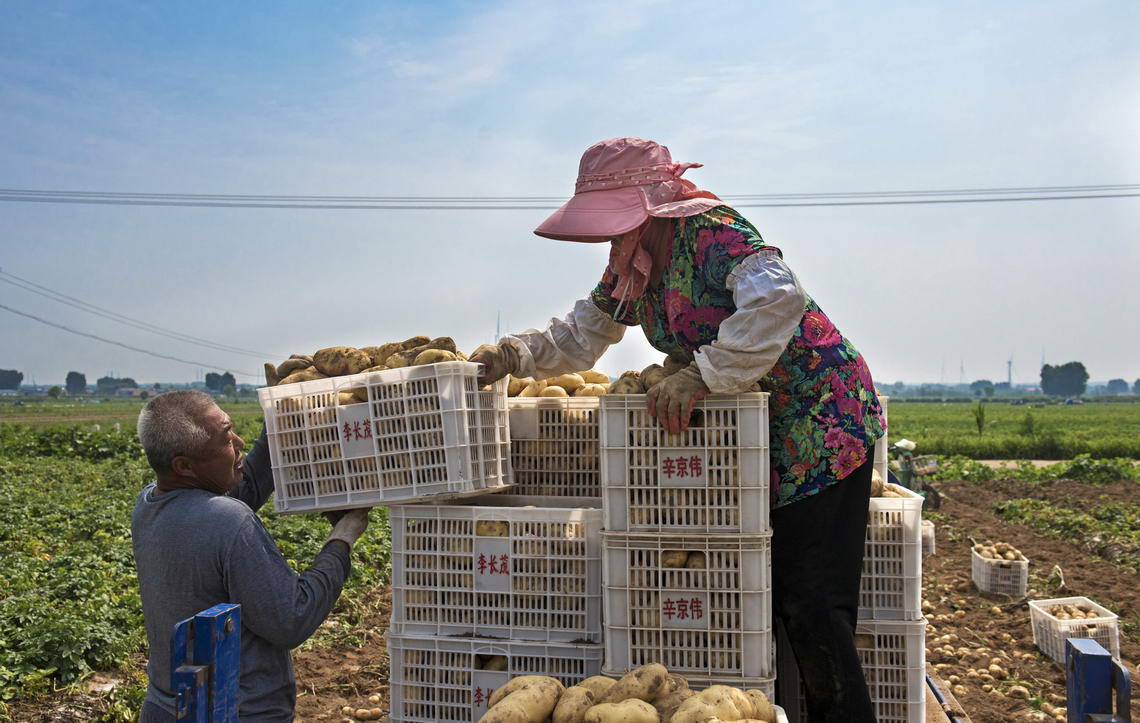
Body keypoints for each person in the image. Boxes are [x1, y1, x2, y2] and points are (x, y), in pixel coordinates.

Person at [471, 137, 886, 722]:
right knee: (771, 598)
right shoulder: (633, 265)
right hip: (753, 440)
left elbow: (778, 299)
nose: (610, 239)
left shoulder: (713, 233)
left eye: (615, 222)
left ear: (650, 206)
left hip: (821, 424)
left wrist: (702, 373)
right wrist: (514, 356)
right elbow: (583, 332)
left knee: (814, 601)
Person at [131, 390, 371, 722]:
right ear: (184, 466)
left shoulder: (149, 503)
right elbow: (292, 619)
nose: (239, 442)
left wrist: (280, 421)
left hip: (166, 707)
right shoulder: (229, 521)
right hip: (235, 712)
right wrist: (341, 541)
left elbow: (243, 488)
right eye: (225, 438)